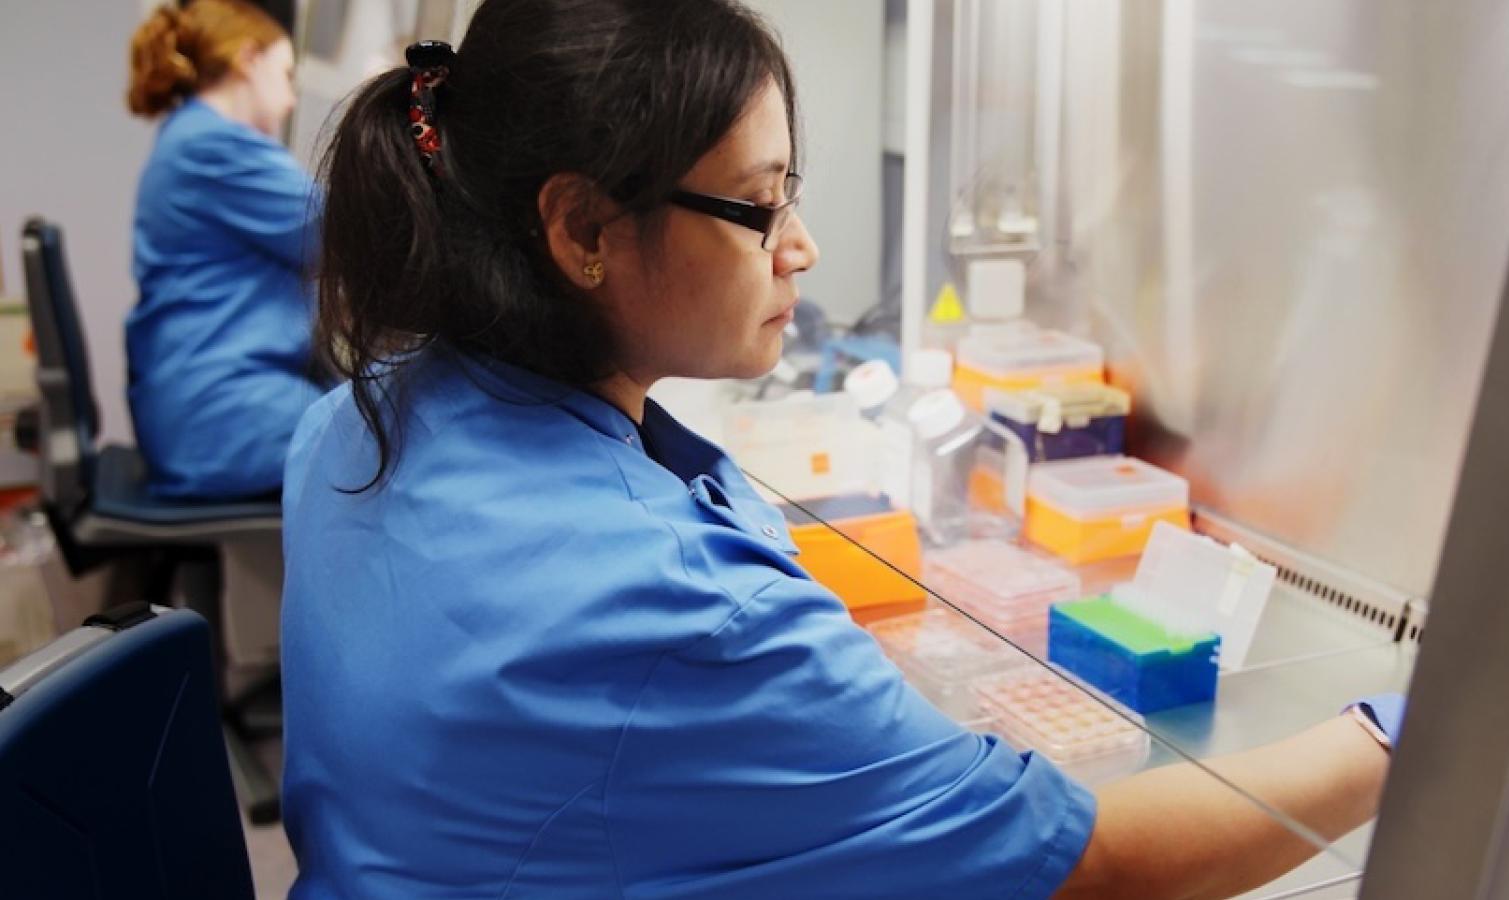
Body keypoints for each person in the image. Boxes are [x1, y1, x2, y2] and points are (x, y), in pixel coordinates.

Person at [280, 1, 1404, 897]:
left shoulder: (355, 418)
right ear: (580, 229)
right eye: (759, 207)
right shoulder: (669, 604)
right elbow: (1086, 865)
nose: (802, 247)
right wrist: (1387, 740)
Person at [124, 0, 323, 499]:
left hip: (206, 406)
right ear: (248, 60)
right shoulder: (213, 146)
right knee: (400, 444)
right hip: (224, 415)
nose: (291, 100)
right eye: (287, 74)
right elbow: (342, 233)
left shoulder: (190, 137)